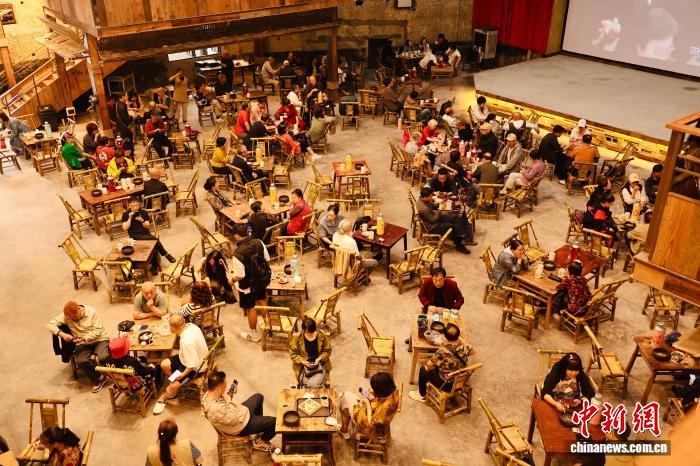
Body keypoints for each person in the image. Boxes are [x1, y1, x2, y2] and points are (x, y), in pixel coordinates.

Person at [203, 370, 276, 451]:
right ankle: (259, 442)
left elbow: (224, 408)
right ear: (218, 389)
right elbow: (234, 420)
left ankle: (257, 429)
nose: (225, 389)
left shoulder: (209, 393)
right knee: (275, 422)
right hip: (241, 425)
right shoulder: (215, 409)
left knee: (259, 396)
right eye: (224, 387)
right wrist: (229, 401)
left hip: (240, 413)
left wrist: (228, 396)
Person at [47, 301, 110, 392]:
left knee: (103, 357)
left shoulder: (91, 312)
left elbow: (98, 330)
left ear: (79, 311)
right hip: (82, 344)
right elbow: (50, 325)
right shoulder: (67, 316)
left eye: (73, 318)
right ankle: (100, 378)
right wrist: (62, 334)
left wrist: (84, 338)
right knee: (82, 361)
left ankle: (115, 374)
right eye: (70, 319)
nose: (71, 320)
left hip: (99, 339)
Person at [153, 314, 208, 415]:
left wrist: (181, 375)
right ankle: (175, 380)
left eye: (170, 326)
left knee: (170, 389)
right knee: (164, 365)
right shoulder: (191, 326)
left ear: (174, 328)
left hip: (196, 367)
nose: (169, 328)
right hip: (187, 357)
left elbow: (191, 366)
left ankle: (167, 394)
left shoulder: (187, 342)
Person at [409, 323, 474, 402]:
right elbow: (473, 352)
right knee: (438, 365)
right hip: (461, 380)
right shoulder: (466, 347)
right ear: (458, 336)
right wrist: (460, 340)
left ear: (445, 337)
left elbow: (429, 365)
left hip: (446, 384)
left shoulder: (443, 351)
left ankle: (422, 395)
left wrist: (429, 368)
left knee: (423, 370)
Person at [231, 223, 272, 343]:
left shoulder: (237, 255)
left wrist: (232, 280)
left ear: (237, 236)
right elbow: (267, 260)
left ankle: (254, 334)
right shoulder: (259, 242)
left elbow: (240, 276)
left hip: (247, 286)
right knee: (262, 301)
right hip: (261, 280)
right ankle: (268, 326)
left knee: (250, 308)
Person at [338, 372, 400, 440]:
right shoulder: (393, 392)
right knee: (351, 397)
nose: (371, 388)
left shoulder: (384, 408)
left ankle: (344, 431)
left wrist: (367, 403)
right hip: (376, 413)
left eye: (374, 388)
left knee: (346, 397)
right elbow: (379, 403)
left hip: (370, 429)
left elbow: (370, 424)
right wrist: (373, 396)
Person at [122, 196, 176, 274]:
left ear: (139, 204)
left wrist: (142, 220)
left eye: (136, 205)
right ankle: (165, 255)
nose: (135, 207)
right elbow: (125, 228)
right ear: (129, 205)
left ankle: (154, 266)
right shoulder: (126, 214)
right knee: (154, 240)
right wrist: (130, 218)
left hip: (146, 234)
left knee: (153, 243)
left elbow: (147, 226)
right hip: (134, 237)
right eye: (133, 206)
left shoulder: (143, 212)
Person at [417, 187, 473, 254]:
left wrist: (439, 204)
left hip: (434, 216)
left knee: (455, 217)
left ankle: (461, 235)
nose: (432, 197)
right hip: (432, 226)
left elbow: (431, 205)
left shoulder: (421, 200)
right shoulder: (423, 209)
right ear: (426, 197)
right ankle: (459, 244)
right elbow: (433, 220)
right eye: (431, 196)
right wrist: (440, 210)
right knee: (453, 226)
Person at [290, 317, 332, 388]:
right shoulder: (297, 337)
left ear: (315, 329)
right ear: (303, 330)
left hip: (320, 365)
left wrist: (319, 359)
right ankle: (312, 387)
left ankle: (312, 387)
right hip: (303, 366)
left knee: (313, 385)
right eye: (307, 333)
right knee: (309, 384)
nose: (310, 335)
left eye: (312, 332)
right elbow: (293, 354)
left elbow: (327, 350)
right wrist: (303, 361)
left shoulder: (321, 335)